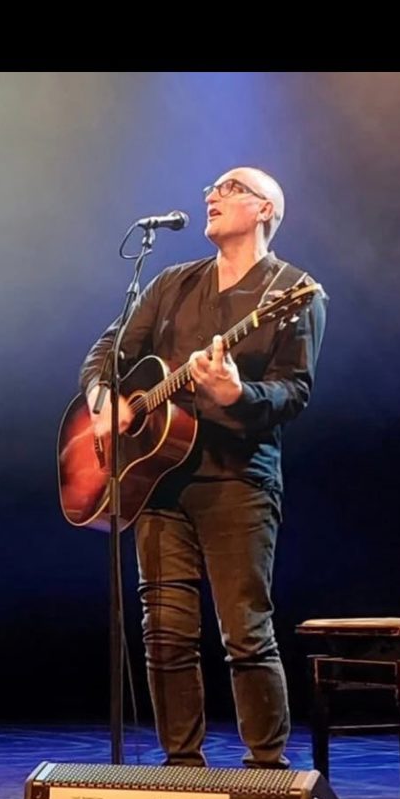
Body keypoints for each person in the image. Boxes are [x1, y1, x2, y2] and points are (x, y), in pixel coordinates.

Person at [80, 167, 327, 768]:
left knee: (245, 631)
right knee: (165, 632)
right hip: (158, 483)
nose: (210, 196)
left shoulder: (295, 292)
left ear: (265, 209)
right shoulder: (170, 283)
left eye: (229, 188)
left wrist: (235, 396)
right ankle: (180, 766)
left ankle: (267, 769)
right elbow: (107, 355)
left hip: (237, 482)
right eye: (211, 189)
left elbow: (293, 393)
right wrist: (103, 400)